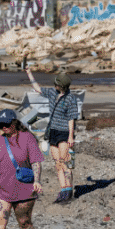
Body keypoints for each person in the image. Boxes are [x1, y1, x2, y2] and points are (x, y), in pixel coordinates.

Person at [26, 67, 78, 203]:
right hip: (53, 132)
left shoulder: (70, 99)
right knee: (57, 162)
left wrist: (71, 136)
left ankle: (69, 190)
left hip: (64, 132)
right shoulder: (52, 93)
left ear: (62, 86)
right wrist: (29, 73)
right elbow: (38, 88)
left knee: (65, 160)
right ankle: (62, 189)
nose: (54, 85)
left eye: (56, 84)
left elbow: (72, 118)